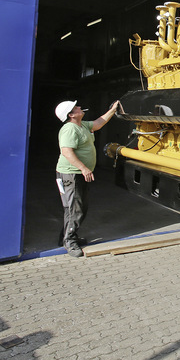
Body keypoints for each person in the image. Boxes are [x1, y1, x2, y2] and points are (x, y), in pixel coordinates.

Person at [54, 99, 121, 257]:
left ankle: (66, 237)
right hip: (71, 174)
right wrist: (84, 168)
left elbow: (98, 123)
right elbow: (67, 152)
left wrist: (113, 109)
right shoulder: (70, 129)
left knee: (79, 207)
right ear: (71, 115)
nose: (79, 107)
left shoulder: (82, 125)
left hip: (78, 174)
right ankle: (69, 242)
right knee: (74, 208)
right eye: (76, 107)